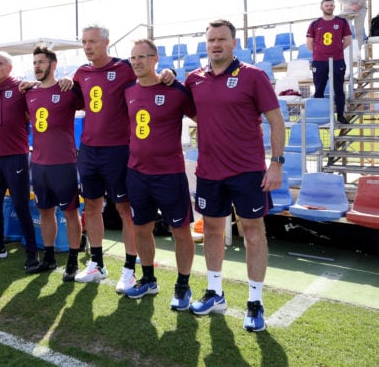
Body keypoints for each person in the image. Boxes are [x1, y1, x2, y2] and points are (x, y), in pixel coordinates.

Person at [185, 19, 285, 333]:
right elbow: (192, 111)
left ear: (233, 43)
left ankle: (255, 302)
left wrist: (276, 163)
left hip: (248, 172)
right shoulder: (194, 79)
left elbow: (276, 121)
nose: (215, 45)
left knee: (253, 233)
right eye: (211, 40)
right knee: (212, 232)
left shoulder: (253, 76)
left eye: (221, 39)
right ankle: (215, 293)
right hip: (209, 172)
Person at [72, 25, 174, 290]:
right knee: (92, 207)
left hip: (118, 151)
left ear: (106, 42)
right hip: (88, 151)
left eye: (92, 41)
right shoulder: (80, 73)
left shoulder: (124, 68)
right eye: (84, 42)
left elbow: (151, 76)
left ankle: (129, 267)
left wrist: (167, 73)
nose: (87, 46)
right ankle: (97, 263)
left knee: (124, 210)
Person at [123, 39, 196, 311]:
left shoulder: (175, 89)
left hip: (169, 174)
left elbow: (203, 116)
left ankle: (183, 284)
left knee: (180, 231)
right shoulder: (128, 90)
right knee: (141, 228)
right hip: (137, 173)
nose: (137, 62)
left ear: (155, 59)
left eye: (143, 56)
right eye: (133, 57)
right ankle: (148, 278)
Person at [0, 51, 40, 272]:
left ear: (10, 68)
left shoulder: (21, 88)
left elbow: (40, 93)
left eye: (0, 64)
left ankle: (32, 253)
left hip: (15, 157)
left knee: (21, 205)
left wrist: (34, 84)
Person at [25, 46, 84, 276]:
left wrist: (71, 80)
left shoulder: (68, 90)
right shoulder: (29, 93)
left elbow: (92, 99)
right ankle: (48, 257)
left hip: (64, 163)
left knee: (70, 212)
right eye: (34, 63)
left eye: (41, 62)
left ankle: (73, 259)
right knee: (45, 212)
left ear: (53, 64)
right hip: (39, 164)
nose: (37, 66)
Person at [306, 0, 353, 124]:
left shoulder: (341, 22)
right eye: (327, 5)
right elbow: (309, 43)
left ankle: (341, 115)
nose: (329, 7)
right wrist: (319, 53)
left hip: (337, 59)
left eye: (331, 5)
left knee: (339, 88)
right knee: (319, 89)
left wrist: (337, 50)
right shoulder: (315, 24)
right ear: (322, 7)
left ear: (334, 7)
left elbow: (348, 39)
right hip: (320, 61)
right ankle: (319, 115)